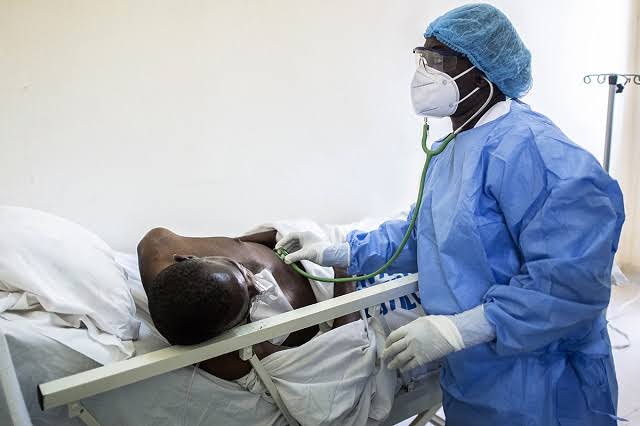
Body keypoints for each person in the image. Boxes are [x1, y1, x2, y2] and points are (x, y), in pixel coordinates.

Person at [276, 3, 625, 425]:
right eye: (422, 58)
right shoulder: (453, 149)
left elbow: (570, 287)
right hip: (472, 377)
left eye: (439, 60)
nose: (425, 72)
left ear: (482, 72)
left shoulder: (541, 155)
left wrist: (460, 329)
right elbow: (423, 234)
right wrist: (339, 251)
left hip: (540, 385)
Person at [136, 227, 359, 380]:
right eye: (250, 298)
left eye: (241, 271)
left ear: (187, 258)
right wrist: (343, 272)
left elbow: (238, 243)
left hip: (310, 245)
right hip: (340, 281)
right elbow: (340, 354)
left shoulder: (157, 244)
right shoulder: (236, 358)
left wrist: (277, 237)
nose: (258, 285)